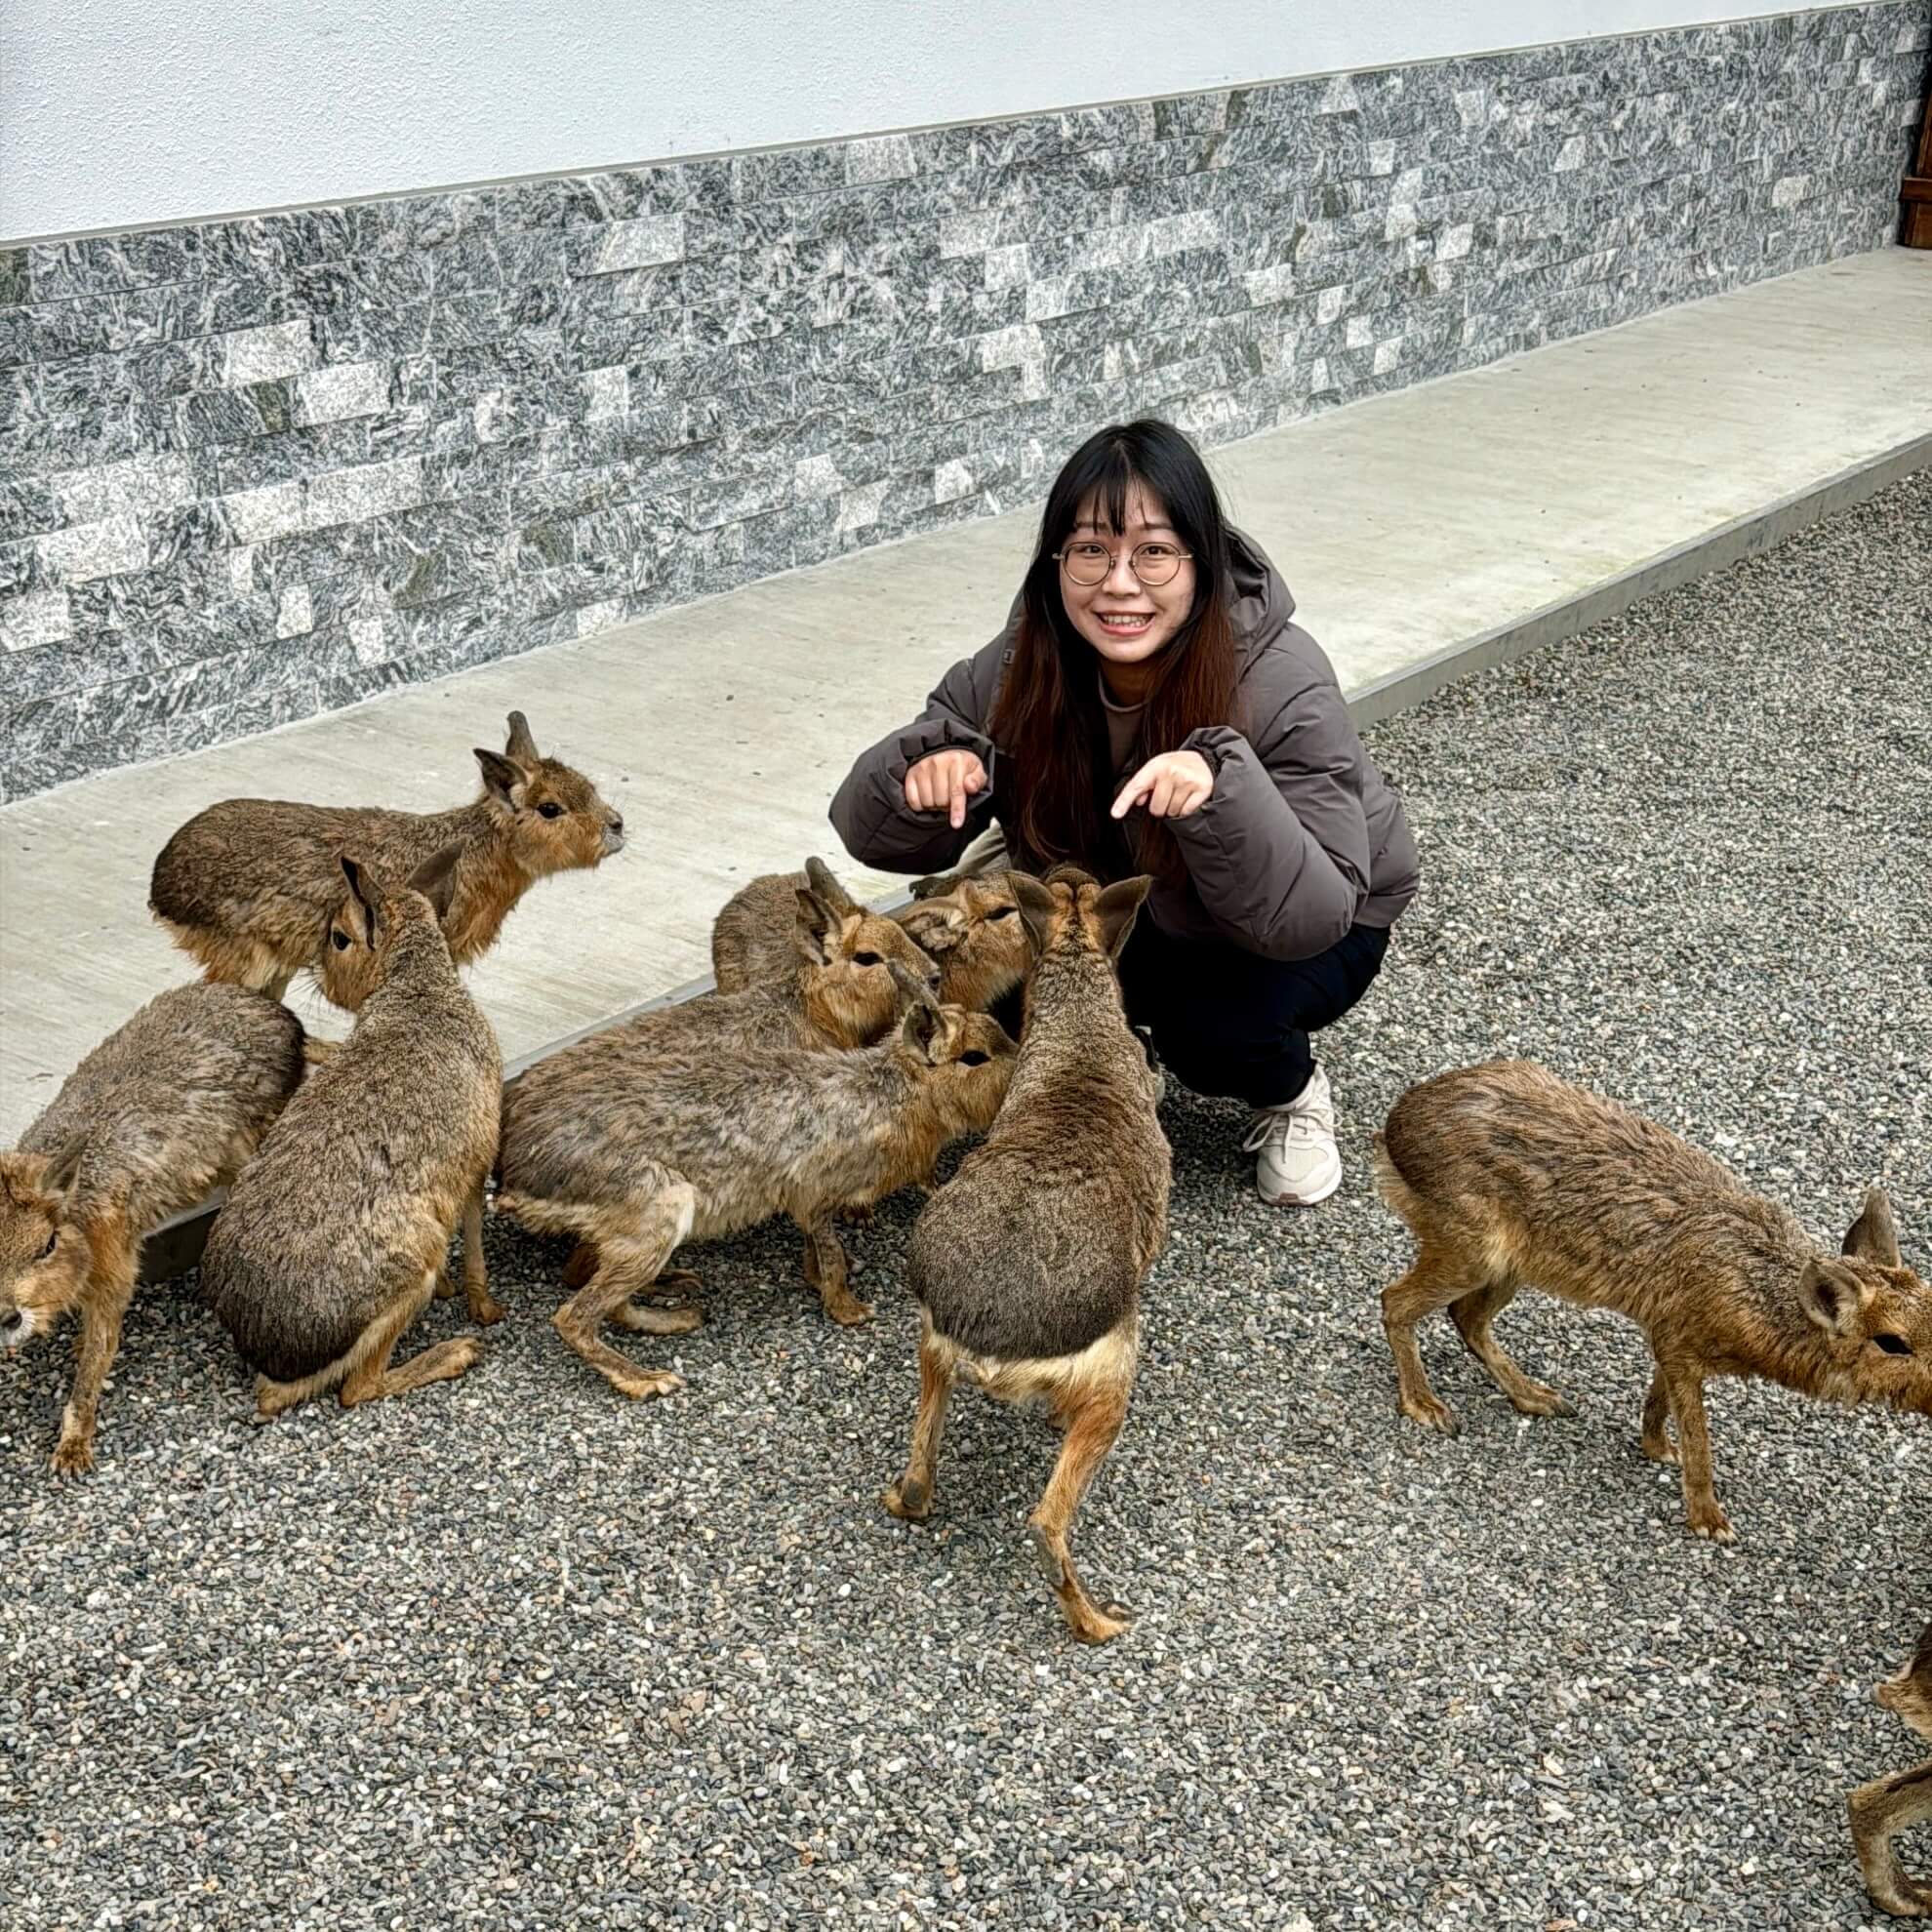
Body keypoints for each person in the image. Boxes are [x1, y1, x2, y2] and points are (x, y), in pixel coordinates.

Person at [828, 419, 1419, 1206]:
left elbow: (1313, 911)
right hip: (1123, 893)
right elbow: (868, 830)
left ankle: (1291, 1095)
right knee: (970, 981)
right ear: (1056, 563)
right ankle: (1117, 1047)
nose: (1119, 582)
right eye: (1090, 550)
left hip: (1299, 915)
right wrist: (923, 774)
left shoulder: (1280, 676)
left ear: (1200, 562)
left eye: (1153, 551)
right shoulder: (1020, 660)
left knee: (1209, 1030)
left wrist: (1220, 792)